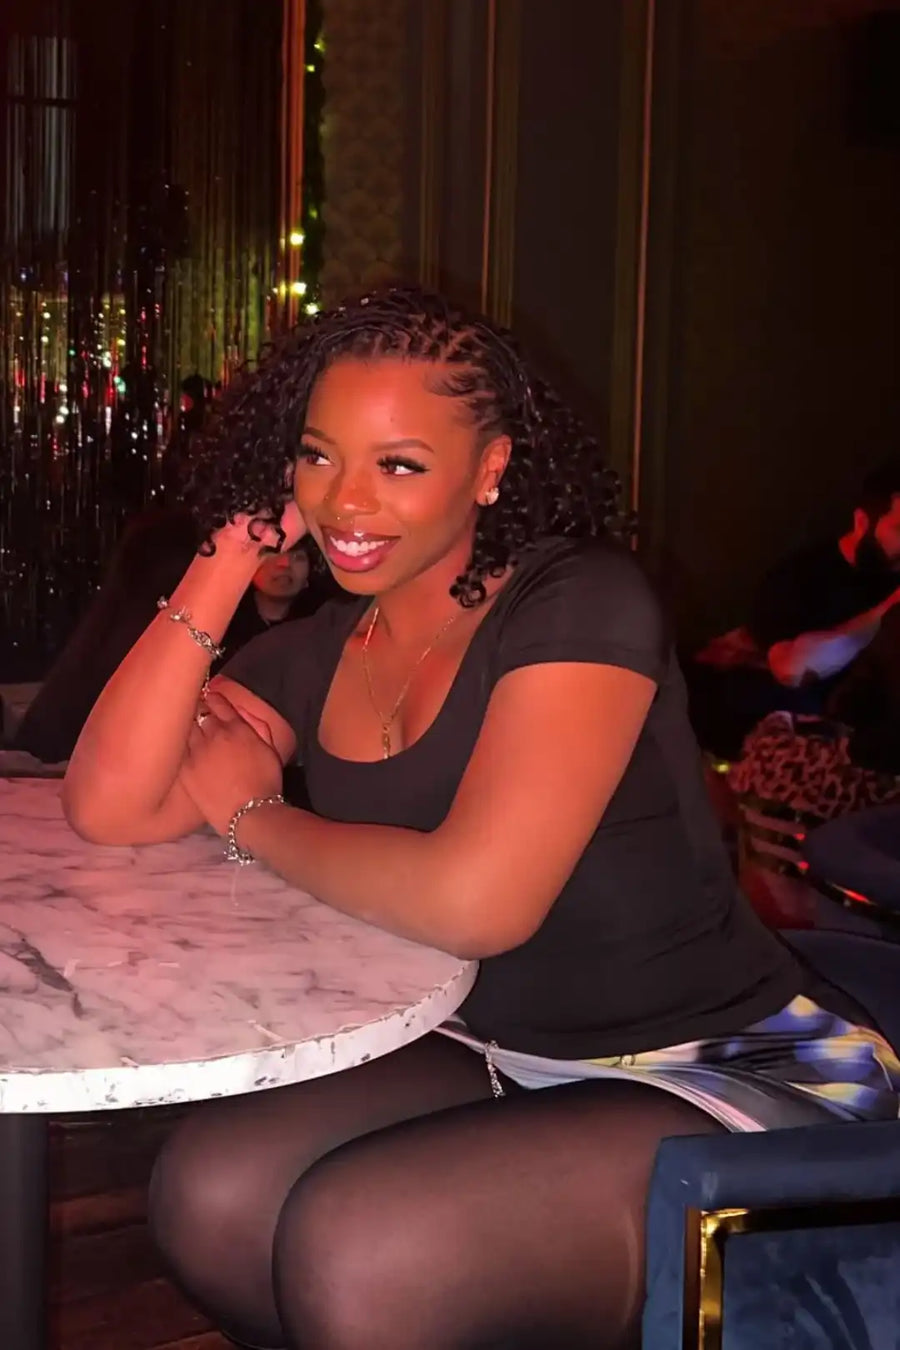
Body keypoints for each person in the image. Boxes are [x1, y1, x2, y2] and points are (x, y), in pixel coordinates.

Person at [62, 288, 899, 1350]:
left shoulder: (579, 601)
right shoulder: (325, 650)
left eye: (399, 464)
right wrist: (226, 556)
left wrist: (252, 815)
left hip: (723, 1063)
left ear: (490, 468)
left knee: (364, 1253)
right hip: (496, 1044)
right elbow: (109, 805)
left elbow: (480, 902)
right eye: (318, 457)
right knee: (209, 1191)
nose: (346, 503)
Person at [686, 458, 900, 758]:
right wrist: (890, 607)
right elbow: (792, 670)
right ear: (862, 521)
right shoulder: (798, 579)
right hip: (808, 742)